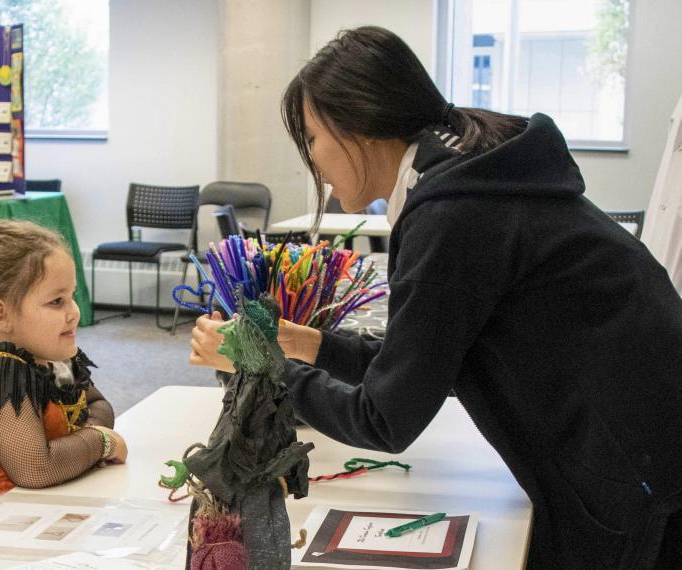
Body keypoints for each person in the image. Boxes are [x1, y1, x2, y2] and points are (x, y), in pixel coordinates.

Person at [190, 26, 682, 569]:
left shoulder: (452, 213)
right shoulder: (466, 179)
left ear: (361, 126)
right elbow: (421, 357)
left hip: (636, 472)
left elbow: (383, 418)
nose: (313, 159)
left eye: (311, 138)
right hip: (632, 442)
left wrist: (259, 363)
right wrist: (305, 343)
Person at [0, 208, 128, 551]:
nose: (74, 311)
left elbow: (99, 404)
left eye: (71, 296)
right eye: (56, 301)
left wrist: (90, 434)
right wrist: (100, 442)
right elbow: (34, 467)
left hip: (41, 507)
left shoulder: (53, 354)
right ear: (1, 315)